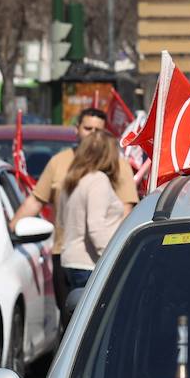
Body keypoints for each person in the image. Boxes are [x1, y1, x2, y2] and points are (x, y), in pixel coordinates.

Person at [10, 108, 139, 314]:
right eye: (88, 128)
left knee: (78, 322)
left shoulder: (110, 168)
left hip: (84, 257)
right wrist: (12, 228)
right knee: (83, 321)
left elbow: (126, 210)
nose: (93, 135)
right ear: (77, 129)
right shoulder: (67, 166)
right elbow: (38, 201)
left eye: (99, 130)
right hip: (78, 256)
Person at [59, 131, 128, 290]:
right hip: (91, 264)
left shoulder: (71, 179)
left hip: (71, 260)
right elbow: (96, 226)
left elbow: (62, 221)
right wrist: (114, 257)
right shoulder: (98, 180)